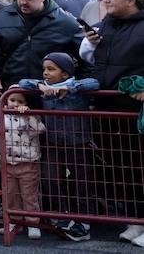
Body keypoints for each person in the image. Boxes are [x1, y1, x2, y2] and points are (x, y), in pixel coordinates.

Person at [79, 0, 144, 245]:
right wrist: (90, 42)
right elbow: (90, 58)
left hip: (134, 111)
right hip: (108, 108)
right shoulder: (106, 24)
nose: (106, 0)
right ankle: (135, 220)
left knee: (138, 167)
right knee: (123, 169)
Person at [16, 52, 97, 241]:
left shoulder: (75, 85)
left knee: (81, 183)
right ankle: (61, 217)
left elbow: (94, 83)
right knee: (50, 178)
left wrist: (69, 88)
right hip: (53, 143)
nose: (46, 73)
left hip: (78, 144)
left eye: (51, 69)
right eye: (44, 69)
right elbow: (22, 82)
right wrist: (39, 85)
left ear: (65, 73)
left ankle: (83, 223)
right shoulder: (45, 86)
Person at [0, 0, 80, 96]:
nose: (22, 1)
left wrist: (73, 88)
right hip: (12, 94)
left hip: (51, 97)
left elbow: (85, 59)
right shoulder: (1, 18)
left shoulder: (65, 23)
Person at [0, 87, 46, 239]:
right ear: (5, 100)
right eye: (12, 100)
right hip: (6, 161)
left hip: (28, 161)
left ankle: (33, 223)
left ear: (27, 103)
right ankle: (14, 221)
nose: (15, 104)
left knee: (29, 195)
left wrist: (28, 115)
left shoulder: (30, 114)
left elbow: (40, 129)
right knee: (10, 194)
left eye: (20, 101)